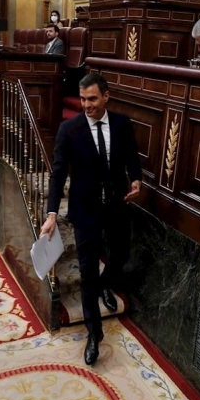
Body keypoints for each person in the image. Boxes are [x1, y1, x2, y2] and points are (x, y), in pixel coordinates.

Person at [40, 73, 142, 366]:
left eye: (92, 99)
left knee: (120, 254)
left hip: (117, 205)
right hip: (85, 210)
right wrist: (50, 214)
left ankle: (104, 284)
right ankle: (94, 334)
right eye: (83, 99)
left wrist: (136, 179)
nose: (86, 105)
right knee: (86, 272)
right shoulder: (69, 130)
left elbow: (132, 156)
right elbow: (58, 173)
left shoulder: (122, 123)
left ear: (106, 96)